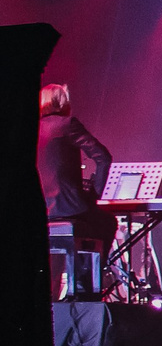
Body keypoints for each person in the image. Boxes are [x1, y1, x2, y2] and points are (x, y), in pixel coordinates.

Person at [37, 82, 113, 284]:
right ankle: (85, 283)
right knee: (107, 222)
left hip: (42, 211)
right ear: (62, 102)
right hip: (68, 208)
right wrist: (95, 195)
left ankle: (55, 290)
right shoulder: (67, 124)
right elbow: (103, 157)